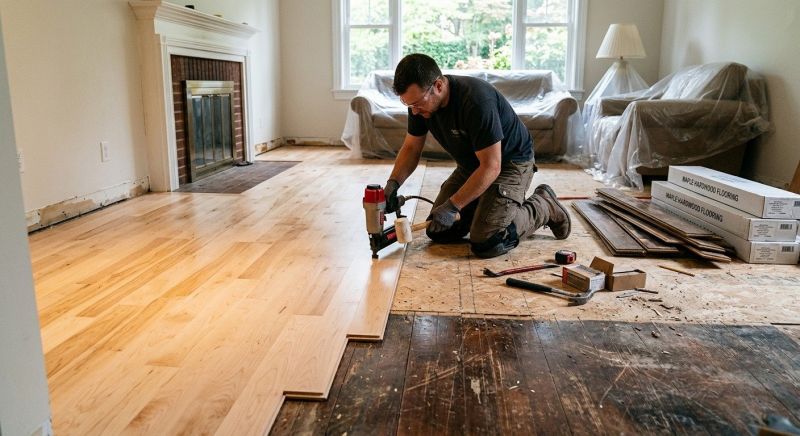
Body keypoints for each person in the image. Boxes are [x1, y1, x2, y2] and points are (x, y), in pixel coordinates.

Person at [383, 53, 572, 258]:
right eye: (408, 105)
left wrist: (453, 205)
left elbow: (492, 166)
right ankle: (485, 205)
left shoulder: (476, 100)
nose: (414, 111)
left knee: (488, 241)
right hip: (472, 166)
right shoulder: (419, 106)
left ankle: (544, 205)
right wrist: (393, 184)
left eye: (417, 103)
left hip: (510, 163)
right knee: (440, 230)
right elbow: (411, 148)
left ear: (438, 86)